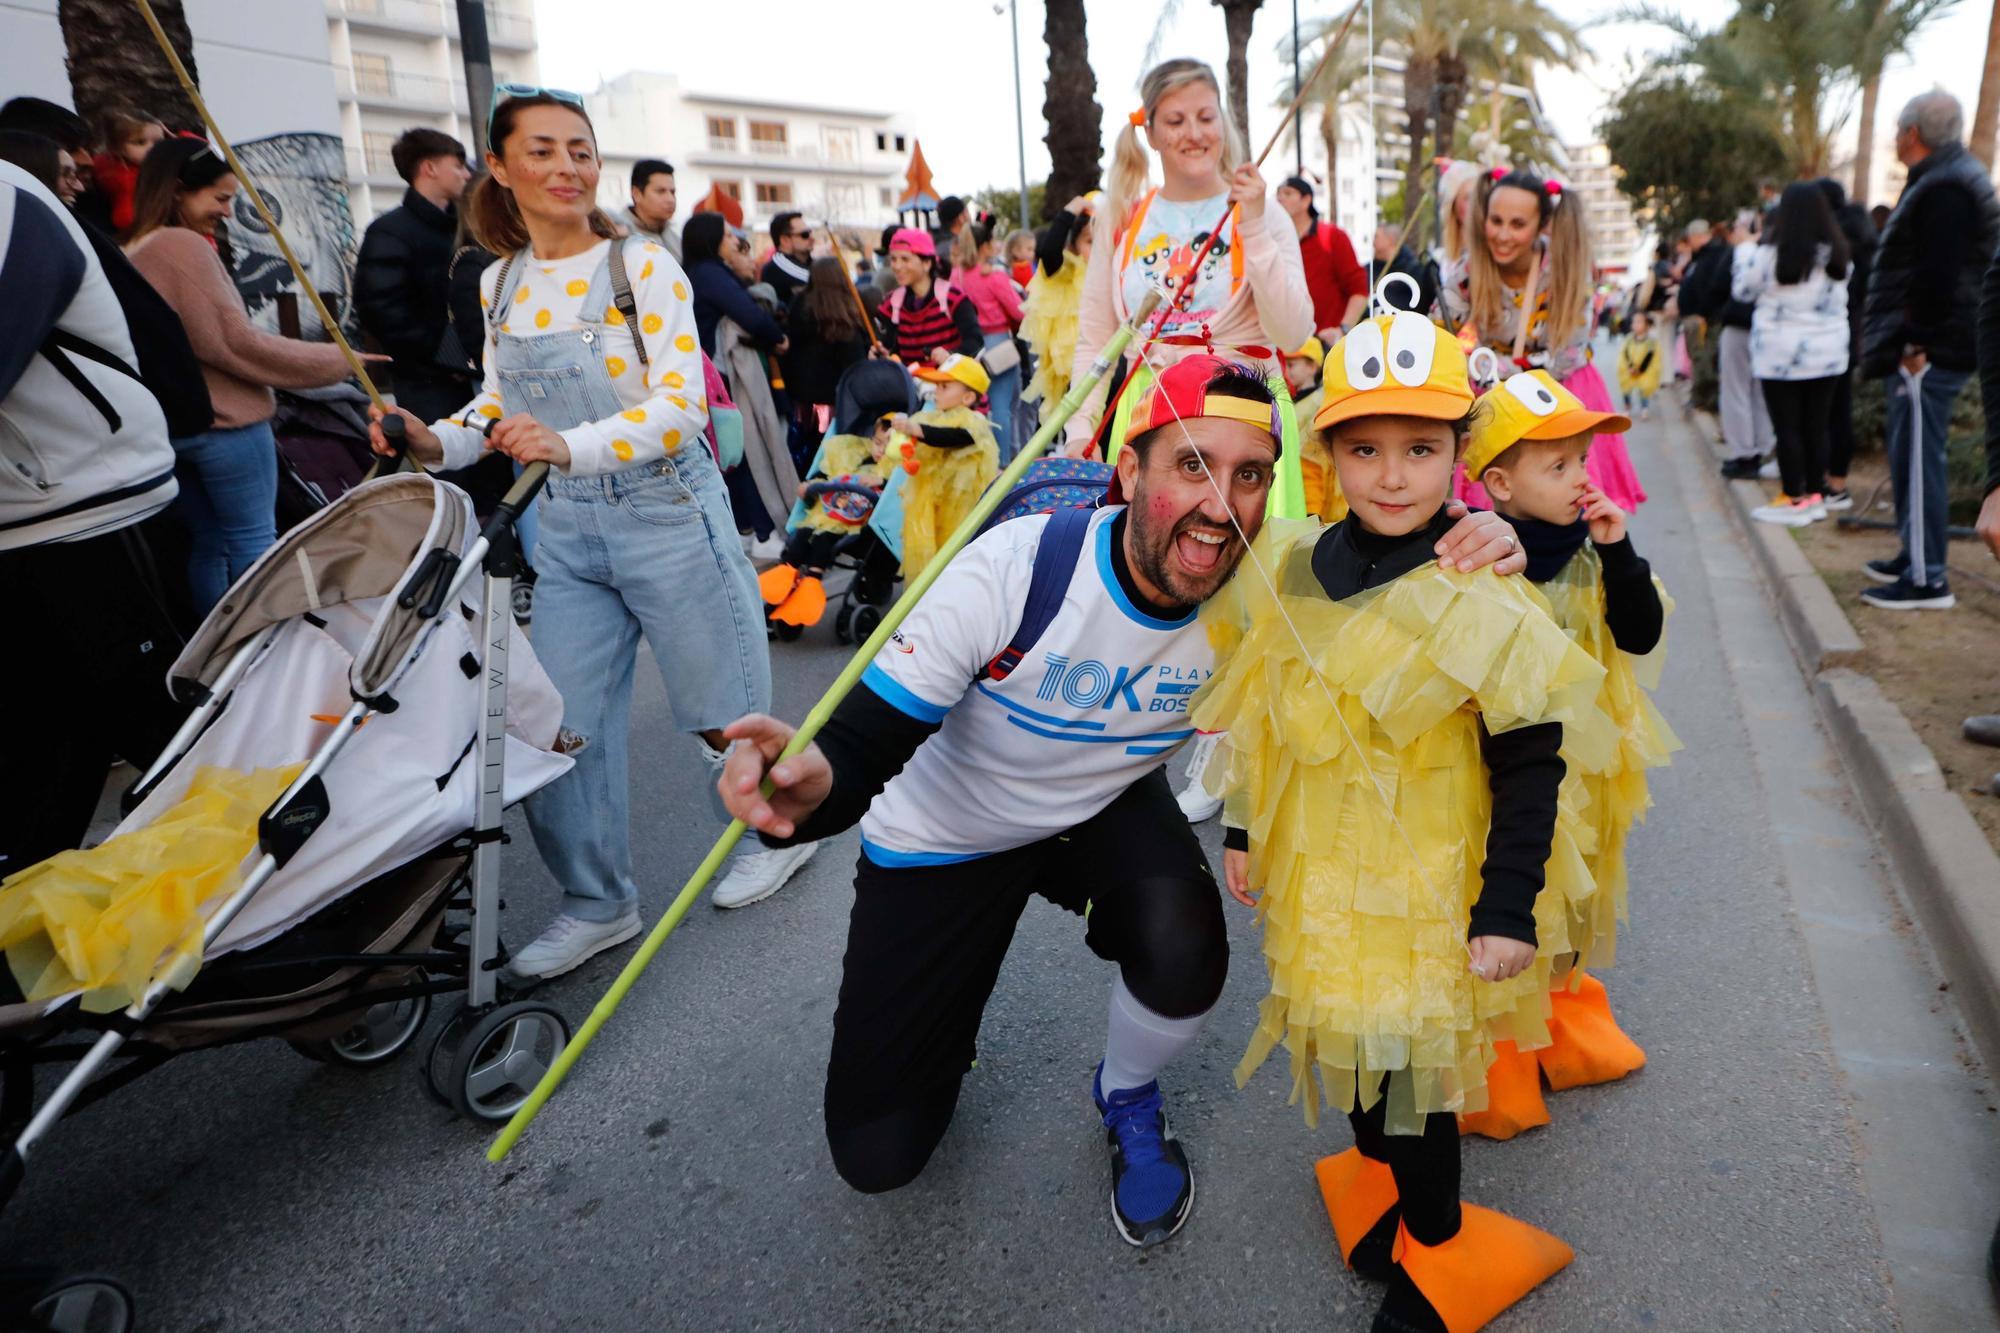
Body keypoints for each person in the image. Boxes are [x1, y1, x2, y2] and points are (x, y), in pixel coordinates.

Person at [715, 353, 1527, 1249]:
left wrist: (1484, 534)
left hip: (1093, 810)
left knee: (1186, 947)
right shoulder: (1015, 568)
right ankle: (945, 1012)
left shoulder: (1264, 583)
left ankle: (1126, 1089)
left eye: (1250, 475)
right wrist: (808, 785)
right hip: (943, 835)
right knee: (880, 1155)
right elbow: (858, 748)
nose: (1221, 505)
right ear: (1131, 470)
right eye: (1193, 465)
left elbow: (1392, 554)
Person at [1196, 318, 1590, 1332]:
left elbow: (1529, 759)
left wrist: (1506, 906)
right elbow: (1263, 710)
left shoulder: (1479, 583)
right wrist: (1242, 824)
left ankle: (1439, 1241)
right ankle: (1379, 1178)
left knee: (1412, 1076)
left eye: (1420, 448)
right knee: (1354, 1049)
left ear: (1458, 453)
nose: (1391, 475)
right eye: (1364, 447)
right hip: (1321, 874)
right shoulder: (1291, 565)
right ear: (1328, 454)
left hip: (1429, 884)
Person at [366, 91, 808, 980]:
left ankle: (779, 835)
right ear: (500, 167)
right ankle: (599, 901)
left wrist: (567, 445)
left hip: (667, 513)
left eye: (581, 149)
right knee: (556, 729)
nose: (567, 167)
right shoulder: (498, 281)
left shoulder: (642, 265)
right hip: (564, 528)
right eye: (542, 150)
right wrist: (434, 440)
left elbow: (681, 408)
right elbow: (498, 405)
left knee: (723, 711)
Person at [1457, 368, 1676, 1138]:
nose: (1582, 477)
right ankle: (1500, 1055)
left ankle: (1560, 1016)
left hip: (1587, 773)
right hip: (1504, 779)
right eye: (1558, 465)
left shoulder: (1594, 547)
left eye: (1582, 459)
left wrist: (1619, 550)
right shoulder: (1476, 560)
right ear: (1499, 484)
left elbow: (1640, 633)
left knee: (1575, 906)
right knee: (1517, 896)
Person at [0, 161, 184, 874]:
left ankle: (299, 888)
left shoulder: (9, 196)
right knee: (42, 748)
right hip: (23, 518)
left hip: (93, 501)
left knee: (164, 733)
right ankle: (29, 912)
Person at [123, 137, 365, 611]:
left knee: (209, 544)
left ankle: (219, 648)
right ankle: (270, 646)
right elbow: (235, 341)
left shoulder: (130, 249)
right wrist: (339, 361)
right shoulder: (180, 245)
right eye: (220, 198)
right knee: (255, 541)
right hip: (227, 422)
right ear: (178, 191)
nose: (228, 212)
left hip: (174, 428)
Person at [1067, 58, 1313, 520]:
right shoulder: (1122, 218)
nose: (1194, 134)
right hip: (1150, 420)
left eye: (1205, 117)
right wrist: (1080, 429)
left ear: (1223, 121)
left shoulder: (1263, 211)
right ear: (1151, 132)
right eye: (1176, 121)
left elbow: (1293, 331)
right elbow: (1096, 340)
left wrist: (1254, 227)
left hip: (1244, 415)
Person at [1858, 91, 1998, 611]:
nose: (1895, 138)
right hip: (1938, 344)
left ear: (1912, 133)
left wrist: (1918, 342)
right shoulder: (1948, 178)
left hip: (1933, 349)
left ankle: (1927, 579)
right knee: (1910, 456)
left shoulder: (1947, 187)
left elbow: (1940, 275)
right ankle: (1913, 556)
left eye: (1898, 130)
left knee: (1919, 461)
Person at [1441, 165, 1648, 512]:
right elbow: (1439, 333)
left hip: (1562, 393)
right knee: (1497, 509)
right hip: (1498, 398)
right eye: (1496, 220)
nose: (1503, 235)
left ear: (1542, 225)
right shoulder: (1470, 268)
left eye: (1517, 224)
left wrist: (1484, 366)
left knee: (1569, 505)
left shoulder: (1567, 267)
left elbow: (1566, 355)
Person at [1734, 181, 1851, 528]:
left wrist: (1744, 248)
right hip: (1828, 354)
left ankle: (1793, 498)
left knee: (1788, 428)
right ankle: (1815, 496)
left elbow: (1742, 291)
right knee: (1817, 427)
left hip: (1780, 355)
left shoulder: (1768, 256)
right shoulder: (1838, 255)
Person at [353, 128, 475, 425]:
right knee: (440, 453)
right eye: (458, 166)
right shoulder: (389, 231)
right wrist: (446, 357)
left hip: (477, 374)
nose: (467, 174)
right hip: (427, 383)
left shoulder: (467, 227)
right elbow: (381, 311)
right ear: (429, 168)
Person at [758, 414, 893, 626]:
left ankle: (811, 583)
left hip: (859, 524)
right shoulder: (856, 455)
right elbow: (829, 473)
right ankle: (782, 587)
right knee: (802, 535)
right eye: (877, 443)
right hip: (830, 514)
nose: (881, 450)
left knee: (822, 540)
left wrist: (881, 481)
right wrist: (810, 484)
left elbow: (898, 491)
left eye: (888, 446)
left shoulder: (895, 470)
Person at [1682, 210, 1776, 478]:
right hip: (1768, 329)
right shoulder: (1777, 249)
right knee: (1759, 393)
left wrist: (1716, 313)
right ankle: (1762, 448)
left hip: (1741, 325)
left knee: (1736, 391)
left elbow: (1724, 287)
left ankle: (1745, 454)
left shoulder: (1744, 251)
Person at [887, 352, 999, 577]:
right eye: (936, 386)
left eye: (944, 387)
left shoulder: (973, 421)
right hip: (930, 498)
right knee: (928, 543)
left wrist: (917, 430)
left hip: (959, 504)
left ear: (967, 397)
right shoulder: (931, 416)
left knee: (954, 549)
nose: (936, 391)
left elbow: (954, 436)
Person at [1817, 178, 1877, 510]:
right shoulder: (1865, 236)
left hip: (1837, 333)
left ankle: (1831, 483)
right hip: (1856, 334)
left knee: (1828, 413)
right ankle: (1836, 482)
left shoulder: (1836, 241)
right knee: (1840, 411)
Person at [782, 255, 875, 457]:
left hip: (801, 400)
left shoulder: (799, 307)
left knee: (805, 453)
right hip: (837, 404)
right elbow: (855, 366)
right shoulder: (846, 316)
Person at [948, 221, 1025, 451]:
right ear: (984, 247)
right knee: (1003, 405)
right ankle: (1006, 461)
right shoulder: (994, 277)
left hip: (969, 346)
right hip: (998, 342)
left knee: (980, 405)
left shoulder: (955, 277)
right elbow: (1019, 312)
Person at [1021, 193, 1096, 410]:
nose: (1098, 248)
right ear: (1074, 244)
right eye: (1090, 241)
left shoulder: (1115, 271)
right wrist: (1071, 210)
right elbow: (1049, 252)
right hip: (1073, 371)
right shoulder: (1065, 273)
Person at [683, 213, 786, 359]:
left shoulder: (701, 271)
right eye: (729, 236)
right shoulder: (709, 274)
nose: (736, 241)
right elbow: (749, 314)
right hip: (712, 360)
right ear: (712, 239)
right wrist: (778, 337)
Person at [875, 227, 981, 370]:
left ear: (927, 263)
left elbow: (975, 341)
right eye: (893, 259)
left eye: (905, 259)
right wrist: (882, 354)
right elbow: (890, 349)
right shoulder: (892, 304)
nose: (897, 266)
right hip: (910, 382)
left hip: (950, 380)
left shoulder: (953, 298)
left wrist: (951, 355)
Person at [1275, 174, 1367, 336]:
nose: (1280, 198)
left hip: (1325, 342)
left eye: (1288, 193)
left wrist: (1343, 330)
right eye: (1278, 193)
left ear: (1306, 200)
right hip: (1284, 341)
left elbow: (1359, 290)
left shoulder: (1332, 236)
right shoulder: (1273, 240)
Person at [89, 105, 166, 236]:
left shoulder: (106, 162)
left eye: (158, 142)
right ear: (117, 147)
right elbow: (125, 218)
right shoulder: (127, 180)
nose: (152, 148)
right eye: (140, 142)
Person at [1365, 219, 1438, 317]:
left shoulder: (1414, 270)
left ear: (1390, 239)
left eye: (1376, 237)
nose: (1373, 243)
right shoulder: (1368, 270)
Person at [619, 158, 680, 261]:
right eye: (660, 191)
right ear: (636, 194)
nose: (670, 199)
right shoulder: (619, 236)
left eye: (672, 192)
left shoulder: (675, 237)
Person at [761, 210, 815, 309]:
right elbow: (822, 281)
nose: (812, 238)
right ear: (785, 240)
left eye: (810, 232)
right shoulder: (777, 266)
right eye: (805, 234)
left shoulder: (811, 263)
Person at [1617, 311, 1662, 418]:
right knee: (1626, 388)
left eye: (1639, 322)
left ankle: (1644, 407)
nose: (1635, 324)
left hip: (1645, 370)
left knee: (1644, 389)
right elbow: (1625, 353)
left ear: (1646, 325)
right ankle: (1627, 406)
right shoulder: (1629, 339)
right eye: (1634, 322)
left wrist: (1641, 370)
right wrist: (1630, 366)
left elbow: (1650, 356)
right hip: (1630, 369)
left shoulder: (1651, 342)